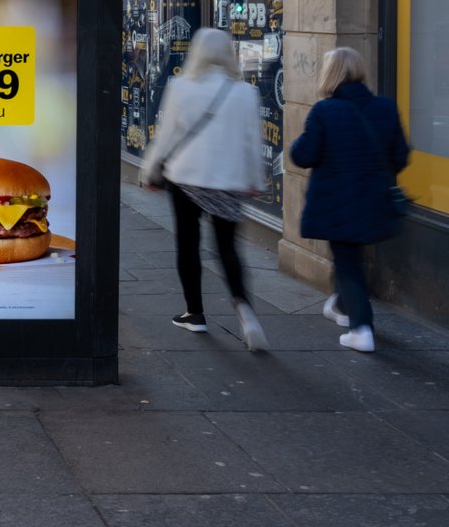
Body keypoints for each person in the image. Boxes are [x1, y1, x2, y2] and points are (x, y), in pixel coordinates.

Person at [141, 28, 268, 351]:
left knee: (188, 244)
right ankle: (246, 311)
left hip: (186, 177)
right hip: (228, 180)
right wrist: (254, 179)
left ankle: (194, 313)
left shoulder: (181, 87)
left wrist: (150, 170)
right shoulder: (243, 92)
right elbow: (251, 141)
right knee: (227, 247)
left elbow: (166, 135)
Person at [289, 47, 409, 353]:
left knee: (348, 261)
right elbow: (400, 156)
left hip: (337, 202)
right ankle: (343, 306)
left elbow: (304, 155)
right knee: (352, 258)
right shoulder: (385, 107)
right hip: (374, 201)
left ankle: (361, 328)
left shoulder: (324, 111)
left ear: (330, 74)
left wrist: (297, 143)